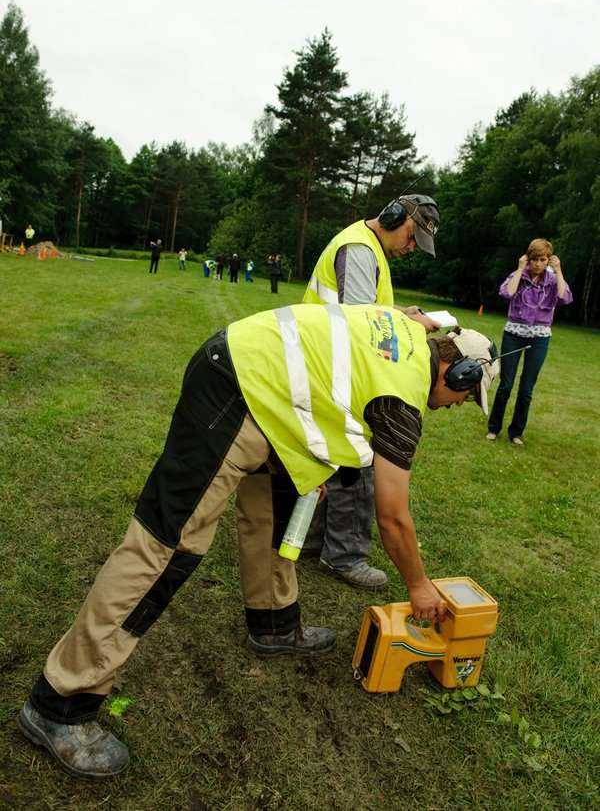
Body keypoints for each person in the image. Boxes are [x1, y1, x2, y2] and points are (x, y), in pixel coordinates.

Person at [19, 305, 497, 778]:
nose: (459, 407)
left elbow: (347, 363)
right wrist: (418, 585)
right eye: (467, 395)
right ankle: (61, 702)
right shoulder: (404, 397)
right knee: (165, 548)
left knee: (275, 503)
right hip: (235, 388)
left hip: (263, 394)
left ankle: (273, 622)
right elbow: (393, 517)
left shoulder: (408, 330)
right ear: (456, 372)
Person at [297, 194, 441, 589]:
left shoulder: (367, 247)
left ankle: (312, 541)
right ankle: (344, 555)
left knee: (329, 455)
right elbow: (359, 324)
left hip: (331, 363)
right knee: (359, 459)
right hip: (336, 366)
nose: (411, 249)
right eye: (413, 238)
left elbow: (367, 313)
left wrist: (402, 315)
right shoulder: (361, 250)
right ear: (396, 217)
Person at [487, 239, 572, 445]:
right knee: (506, 385)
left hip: (539, 337)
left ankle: (516, 432)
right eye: (534, 259)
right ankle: (494, 428)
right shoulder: (519, 275)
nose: (537, 264)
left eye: (542, 259)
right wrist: (519, 268)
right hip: (514, 334)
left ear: (548, 260)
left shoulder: (552, 280)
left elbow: (565, 298)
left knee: (526, 389)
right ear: (528, 259)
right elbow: (506, 292)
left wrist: (559, 271)